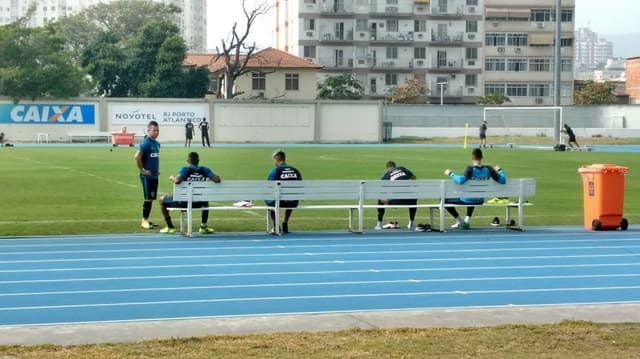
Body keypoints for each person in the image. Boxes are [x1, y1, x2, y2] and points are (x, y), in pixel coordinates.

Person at [158, 152, 221, 234]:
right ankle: (203, 227)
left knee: (161, 200)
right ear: (198, 161)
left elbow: (177, 181)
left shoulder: (185, 169)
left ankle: (170, 227)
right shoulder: (205, 170)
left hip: (185, 203)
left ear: (188, 161)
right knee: (205, 199)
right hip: (201, 203)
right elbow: (217, 179)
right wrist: (210, 178)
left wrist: (172, 178)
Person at [443, 148, 506, 229]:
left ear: (472, 157)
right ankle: (466, 221)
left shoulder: (470, 169)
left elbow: (460, 180)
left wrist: (450, 173)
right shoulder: (489, 169)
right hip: (480, 200)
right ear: (482, 157)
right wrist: (500, 170)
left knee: (444, 200)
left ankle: (460, 221)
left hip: (468, 199)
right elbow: (503, 180)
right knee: (473, 193)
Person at [266, 150, 302, 234]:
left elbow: (268, 186)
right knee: (290, 196)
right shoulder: (295, 170)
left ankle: (276, 226)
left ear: (276, 159)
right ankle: (285, 223)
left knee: (270, 201)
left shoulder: (275, 171)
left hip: (279, 202)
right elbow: (300, 186)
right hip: (293, 202)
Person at [375, 161, 417, 230]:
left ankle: (379, 223)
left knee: (380, 199)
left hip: (395, 201)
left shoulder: (386, 175)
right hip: (410, 201)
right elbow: (414, 177)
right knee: (412, 198)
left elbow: (382, 189)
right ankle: (411, 223)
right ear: (395, 166)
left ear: (387, 168)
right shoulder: (402, 169)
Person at [134, 121, 161, 229]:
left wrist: (156, 169)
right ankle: (144, 220)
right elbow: (137, 156)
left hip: (154, 175)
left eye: (157, 130)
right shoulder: (146, 143)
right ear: (148, 130)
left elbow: (154, 158)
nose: (156, 132)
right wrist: (142, 170)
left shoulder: (157, 144)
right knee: (148, 198)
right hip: (147, 176)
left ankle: (147, 219)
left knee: (151, 198)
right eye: (154, 130)